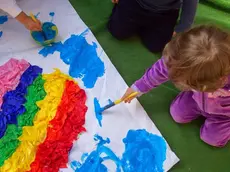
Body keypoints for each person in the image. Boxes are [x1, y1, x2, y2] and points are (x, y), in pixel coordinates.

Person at [122, 25, 230, 147]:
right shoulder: (180, 57)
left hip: (225, 113)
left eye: (187, 84)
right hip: (197, 99)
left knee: (211, 139)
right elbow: (161, 70)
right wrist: (138, 88)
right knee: (177, 115)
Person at [108, 0, 198, 53]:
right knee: (118, 32)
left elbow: (191, 2)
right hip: (135, 3)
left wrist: (182, 29)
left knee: (157, 46)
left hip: (165, 12)